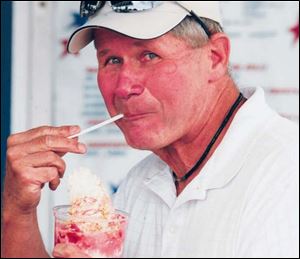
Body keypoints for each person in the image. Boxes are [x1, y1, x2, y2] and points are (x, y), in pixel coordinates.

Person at [1, 1, 299, 258]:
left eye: (149, 56)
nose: (123, 87)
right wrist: (19, 212)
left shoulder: (286, 174)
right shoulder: (142, 183)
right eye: (112, 60)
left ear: (215, 58)